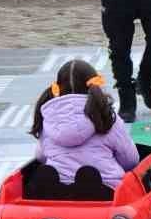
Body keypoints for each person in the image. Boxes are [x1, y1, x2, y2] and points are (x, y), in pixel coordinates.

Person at [31, 58, 141, 187]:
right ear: (94, 85)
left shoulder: (49, 118)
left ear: (57, 88)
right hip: (108, 192)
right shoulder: (107, 117)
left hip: (58, 192)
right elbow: (130, 161)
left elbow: (41, 157)